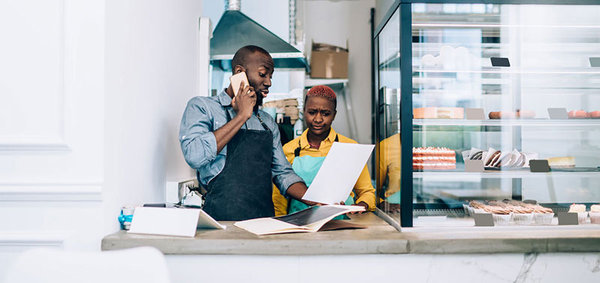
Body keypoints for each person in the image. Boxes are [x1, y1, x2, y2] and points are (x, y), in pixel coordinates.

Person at [179, 45, 314, 221]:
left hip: (263, 223)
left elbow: (283, 174)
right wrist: (242, 115)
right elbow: (194, 156)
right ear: (239, 73)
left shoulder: (267, 122)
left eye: (271, 76)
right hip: (221, 223)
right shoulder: (202, 107)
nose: (269, 82)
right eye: (263, 74)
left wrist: (318, 200)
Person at [272, 85, 376, 216]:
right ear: (304, 112)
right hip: (300, 226)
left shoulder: (350, 147)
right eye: (312, 112)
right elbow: (279, 200)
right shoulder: (289, 150)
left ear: (334, 115)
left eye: (325, 114)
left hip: (343, 224)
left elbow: (367, 192)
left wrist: (361, 205)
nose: (318, 119)